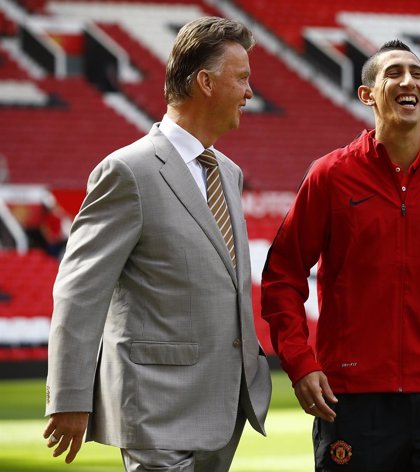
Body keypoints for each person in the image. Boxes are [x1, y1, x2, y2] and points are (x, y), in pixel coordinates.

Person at [43, 16, 271, 472]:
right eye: (242, 78)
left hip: (224, 409)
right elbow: (80, 288)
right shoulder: (127, 171)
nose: (250, 93)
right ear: (205, 82)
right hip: (155, 408)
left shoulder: (228, 172)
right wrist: (68, 396)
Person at [261, 39, 420, 471]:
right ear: (367, 95)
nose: (408, 81)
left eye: (417, 74)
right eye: (394, 73)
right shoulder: (330, 175)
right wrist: (300, 362)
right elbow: (283, 276)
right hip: (352, 397)